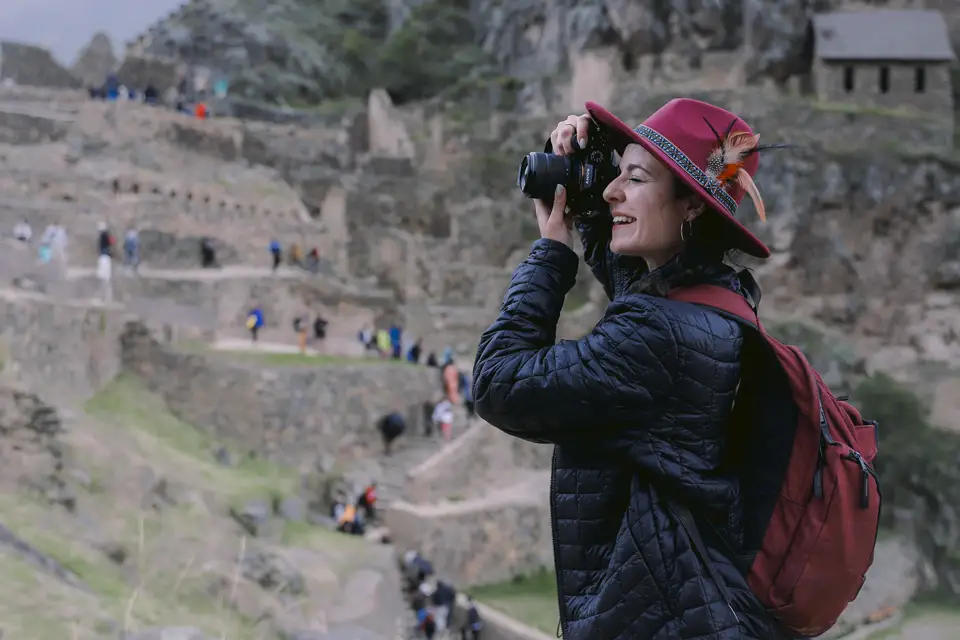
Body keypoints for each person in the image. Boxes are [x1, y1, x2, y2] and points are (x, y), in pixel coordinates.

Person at [471, 99, 785, 639]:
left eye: (633, 179)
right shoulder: (715, 302)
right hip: (689, 608)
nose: (614, 189)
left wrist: (551, 253)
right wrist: (589, 194)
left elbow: (498, 381)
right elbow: (637, 289)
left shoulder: (658, 334)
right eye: (615, 175)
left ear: (692, 205)